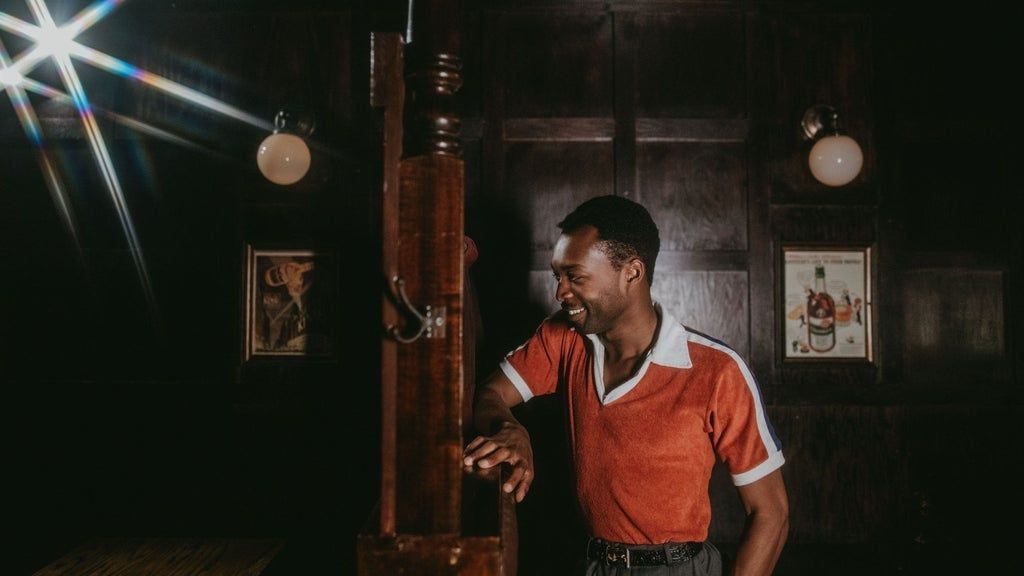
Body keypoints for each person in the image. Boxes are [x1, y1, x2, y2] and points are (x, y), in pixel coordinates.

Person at [462, 195, 788, 575]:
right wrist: (510, 428)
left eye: (575, 277)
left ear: (632, 272)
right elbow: (489, 393)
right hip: (592, 564)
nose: (560, 292)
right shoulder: (562, 338)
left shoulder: (717, 370)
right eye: (557, 277)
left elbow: (771, 513)